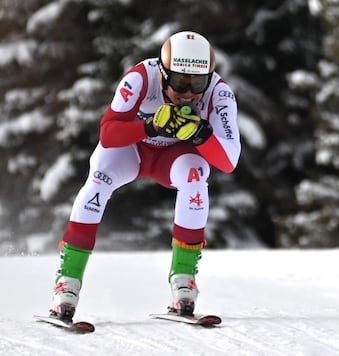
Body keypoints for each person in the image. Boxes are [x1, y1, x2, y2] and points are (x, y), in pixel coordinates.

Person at [49, 30, 241, 321]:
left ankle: (183, 283)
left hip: (173, 157)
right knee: (99, 179)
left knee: (195, 178)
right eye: (180, 82)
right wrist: (149, 127)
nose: (188, 93)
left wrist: (202, 135)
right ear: (163, 74)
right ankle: (68, 282)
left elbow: (228, 161)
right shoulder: (140, 77)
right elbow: (108, 134)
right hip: (131, 150)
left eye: (198, 83)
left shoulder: (220, 93)